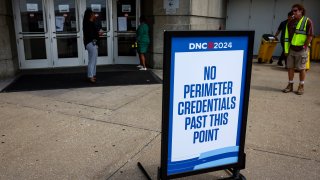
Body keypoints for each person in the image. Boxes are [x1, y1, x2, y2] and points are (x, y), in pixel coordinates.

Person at [282, 4, 313, 95]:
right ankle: (290, 85)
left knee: (301, 68)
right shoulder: (290, 22)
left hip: (302, 49)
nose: (293, 12)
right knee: (290, 67)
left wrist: (304, 47)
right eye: (293, 11)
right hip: (291, 48)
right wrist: (286, 50)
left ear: (301, 11)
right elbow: (287, 37)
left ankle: (301, 86)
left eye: (295, 10)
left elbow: (310, 36)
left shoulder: (308, 21)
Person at [83, 9, 101, 83]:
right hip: (91, 43)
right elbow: (91, 35)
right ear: (90, 15)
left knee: (93, 60)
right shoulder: (89, 23)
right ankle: (91, 76)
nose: (94, 15)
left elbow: (91, 35)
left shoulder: (88, 23)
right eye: (93, 14)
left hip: (90, 43)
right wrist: (95, 43)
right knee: (92, 61)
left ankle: (92, 75)